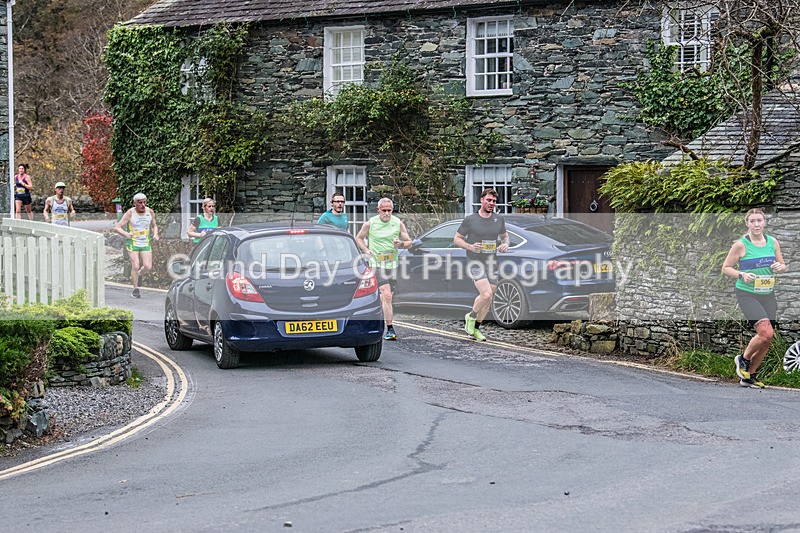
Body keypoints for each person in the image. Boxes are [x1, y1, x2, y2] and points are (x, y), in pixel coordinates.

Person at [722, 208, 787, 388]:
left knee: (768, 338)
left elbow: (783, 265)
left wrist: (780, 267)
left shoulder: (772, 242)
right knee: (765, 332)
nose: (756, 224)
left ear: (764, 222)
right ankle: (742, 359)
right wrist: (741, 274)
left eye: (759, 220)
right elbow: (726, 267)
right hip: (747, 294)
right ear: (747, 223)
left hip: (767, 293)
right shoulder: (740, 245)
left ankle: (749, 376)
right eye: (752, 221)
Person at [453, 188, 510, 342]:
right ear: (482, 200)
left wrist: (505, 244)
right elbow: (457, 239)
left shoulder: (499, 219)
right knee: (486, 294)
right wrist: (470, 247)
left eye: (494, 201)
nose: (491, 203)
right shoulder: (470, 220)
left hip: (492, 262)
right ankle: (471, 317)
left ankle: (476, 328)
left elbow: (505, 237)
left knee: (488, 299)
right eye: (489, 200)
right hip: (475, 261)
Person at [356, 197, 413, 341]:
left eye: (389, 210)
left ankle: (377, 319)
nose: (387, 213)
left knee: (386, 298)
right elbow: (359, 238)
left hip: (392, 265)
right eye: (384, 210)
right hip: (376, 264)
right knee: (387, 295)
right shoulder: (371, 223)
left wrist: (401, 244)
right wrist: (366, 250)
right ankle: (390, 329)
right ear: (378, 210)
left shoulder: (397, 223)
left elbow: (409, 242)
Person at [115, 192, 160, 299]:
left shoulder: (150, 212)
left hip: (145, 242)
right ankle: (135, 289)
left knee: (148, 267)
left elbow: (154, 225)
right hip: (133, 242)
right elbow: (117, 227)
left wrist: (155, 234)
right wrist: (126, 234)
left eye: (144, 202)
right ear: (135, 204)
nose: (143, 205)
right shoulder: (130, 213)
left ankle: (139, 274)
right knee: (135, 265)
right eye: (140, 203)